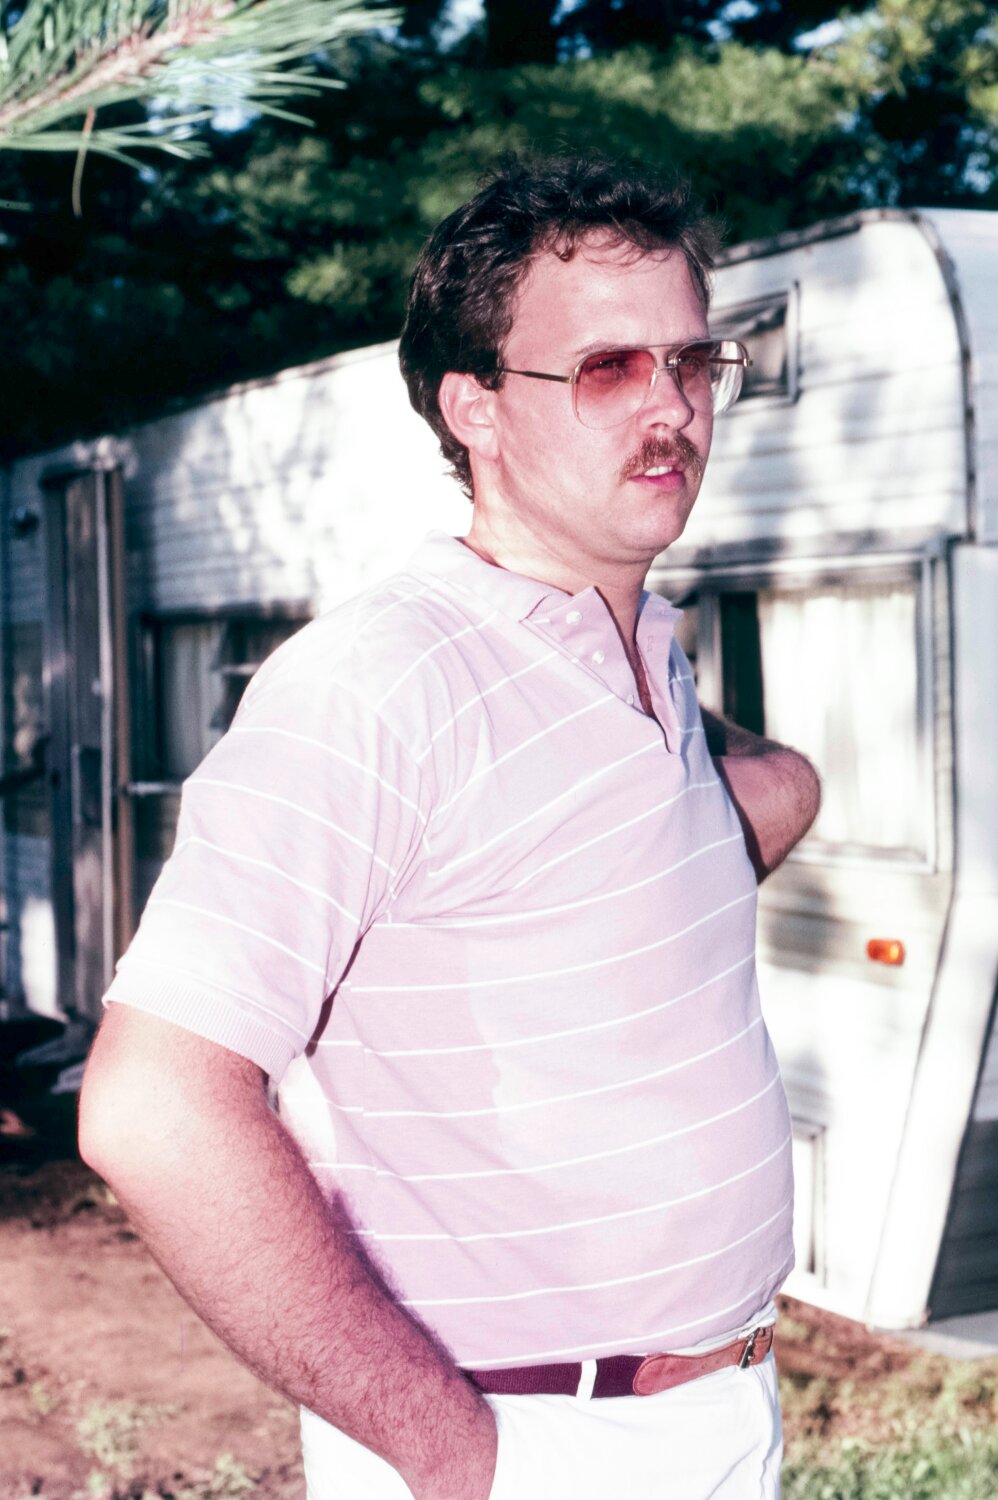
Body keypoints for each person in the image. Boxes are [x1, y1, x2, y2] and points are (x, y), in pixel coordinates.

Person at [79, 154, 820, 1500]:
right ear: (472, 405)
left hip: (722, 1410)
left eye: (690, 362)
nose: (669, 407)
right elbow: (151, 1106)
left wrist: (779, 785)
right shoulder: (381, 681)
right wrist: (456, 1458)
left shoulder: (645, 652)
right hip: (521, 1439)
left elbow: (685, 828)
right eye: (606, 368)